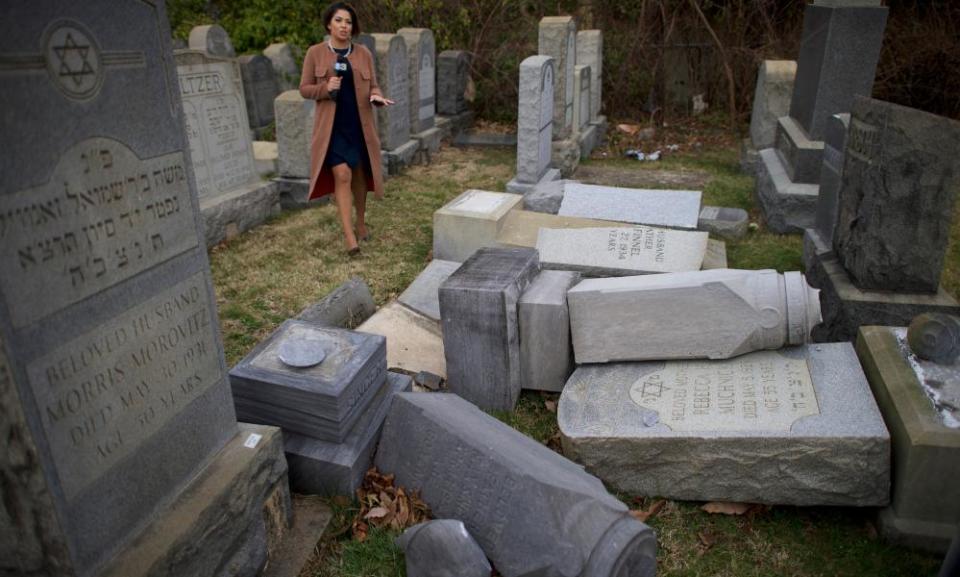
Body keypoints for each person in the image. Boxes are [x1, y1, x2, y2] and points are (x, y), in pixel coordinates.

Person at [300, 2, 394, 256]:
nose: (344, 26)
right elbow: (304, 89)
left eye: (349, 22)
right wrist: (325, 88)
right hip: (331, 128)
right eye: (339, 20)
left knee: (360, 175)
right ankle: (350, 237)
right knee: (342, 174)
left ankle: (361, 222)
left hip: (359, 125)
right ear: (329, 24)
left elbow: (373, 85)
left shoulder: (363, 53)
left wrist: (377, 96)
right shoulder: (315, 53)